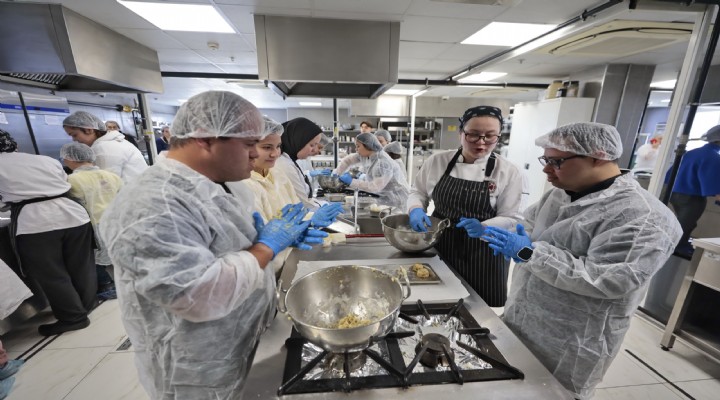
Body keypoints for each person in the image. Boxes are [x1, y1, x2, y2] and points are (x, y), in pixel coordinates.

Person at [99, 91, 326, 399]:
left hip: (241, 339)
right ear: (205, 139)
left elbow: (226, 248)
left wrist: (269, 240)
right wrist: (266, 247)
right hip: (198, 366)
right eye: (249, 144)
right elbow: (196, 295)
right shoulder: (152, 204)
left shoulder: (222, 183)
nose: (256, 155)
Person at [481, 122, 682, 400]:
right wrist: (510, 236)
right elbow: (529, 225)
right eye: (545, 160)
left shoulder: (644, 216)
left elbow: (609, 280)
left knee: (556, 394)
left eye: (556, 162)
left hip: (572, 341)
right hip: (523, 318)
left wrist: (529, 253)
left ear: (598, 156)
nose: (546, 169)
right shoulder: (560, 193)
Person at [407, 106, 523, 307]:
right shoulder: (437, 161)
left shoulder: (508, 172)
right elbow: (418, 192)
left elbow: (512, 217)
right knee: (437, 302)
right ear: (461, 132)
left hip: (485, 253)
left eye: (490, 136)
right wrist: (416, 209)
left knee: (480, 312)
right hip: (442, 245)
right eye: (473, 134)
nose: (481, 142)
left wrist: (485, 227)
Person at [0, 129, 97, 336]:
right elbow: (63, 182)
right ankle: (85, 306)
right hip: (74, 215)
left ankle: (73, 317)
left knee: (51, 273)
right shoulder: (44, 159)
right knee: (81, 266)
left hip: (36, 223)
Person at [226, 116, 343, 277]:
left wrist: (309, 219)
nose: (275, 154)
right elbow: (259, 242)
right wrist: (281, 239)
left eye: (278, 146)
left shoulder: (277, 173)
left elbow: (295, 209)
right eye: (267, 147)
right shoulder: (242, 185)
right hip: (267, 269)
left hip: (289, 259)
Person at [60, 142, 123, 300]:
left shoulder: (71, 180)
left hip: (93, 225)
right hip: (117, 222)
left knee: (93, 258)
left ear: (70, 159)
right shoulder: (112, 176)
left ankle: (106, 285)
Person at [668, 125, 720, 256]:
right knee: (685, 225)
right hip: (692, 198)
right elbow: (712, 184)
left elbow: (670, 173)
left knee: (684, 224)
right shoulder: (714, 157)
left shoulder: (692, 152)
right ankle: (676, 248)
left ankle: (679, 245)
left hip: (674, 194)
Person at [64, 111, 147, 182]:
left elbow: (107, 185)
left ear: (89, 130)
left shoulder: (104, 148)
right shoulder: (110, 142)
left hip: (130, 194)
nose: (74, 139)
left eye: (74, 135)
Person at [333, 132, 409, 210]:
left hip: (397, 200)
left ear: (368, 146)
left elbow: (374, 187)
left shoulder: (383, 163)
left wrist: (351, 182)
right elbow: (347, 160)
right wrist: (337, 172)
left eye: (358, 146)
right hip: (383, 197)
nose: (356, 149)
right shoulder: (366, 155)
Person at [275, 117, 329, 206]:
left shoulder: (290, 160)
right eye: (312, 145)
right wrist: (324, 205)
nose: (314, 150)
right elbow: (303, 203)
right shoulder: (284, 164)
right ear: (299, 140)